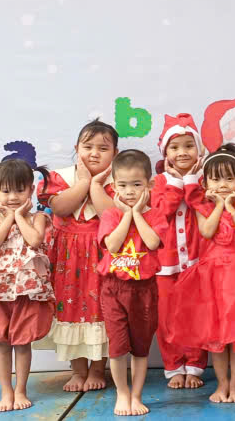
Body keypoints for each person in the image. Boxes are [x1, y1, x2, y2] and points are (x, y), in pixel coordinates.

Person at [171, 144, 235, 404]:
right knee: (216, 336)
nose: (223, 184)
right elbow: (207, 232)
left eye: (229, 178)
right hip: (212, 278)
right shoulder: (202, 206)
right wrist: (218, 206)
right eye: (216, 179)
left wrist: (230, 205)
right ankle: (222, 384)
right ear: (205, 183)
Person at [33, 119, 118, 392]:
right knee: (68, 308)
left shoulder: (119, 181)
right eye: (87, 146)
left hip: (101, 253)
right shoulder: (59, 178)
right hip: (67, 258)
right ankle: (78, 370)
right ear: (76, 148)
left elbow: (110, 215)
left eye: (103, 148)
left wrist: (96, 186)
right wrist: (83, 182)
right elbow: (60, 208)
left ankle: (98, 369)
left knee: (100, 309)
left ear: (115, 153)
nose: (94, 153)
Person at [0, 159, 56, 412]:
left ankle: (20, 390)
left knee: (23, 341)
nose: (12, 197)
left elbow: (34, 240)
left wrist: (19, 216)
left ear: (31, 190)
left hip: (26, 290)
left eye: (20, 190)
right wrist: (9, 218)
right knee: (2, 341)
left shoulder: (38, 218)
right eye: (6, 191)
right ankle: (6, 391)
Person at [97, 150, 169, 417]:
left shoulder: (156, 216)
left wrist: (137, 212)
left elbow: (152, 242)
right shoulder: (110, 215)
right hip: (113, 289)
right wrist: (126, 214)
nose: (129, 191)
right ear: (114, 186)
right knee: (117, 348)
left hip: (144, 290)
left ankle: (136, 395)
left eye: (137, 184)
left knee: (140, 347)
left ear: (149, 185)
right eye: (123, 185)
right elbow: (113, 246)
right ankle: (122, 393)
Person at [151, 113, 209, 389]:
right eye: (174, 147)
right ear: (166, 152)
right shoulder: (158, 182)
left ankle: (195, 365)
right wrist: (176, 185)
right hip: (166, 263)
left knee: (198, 314)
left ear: (199, 149)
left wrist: (193, 183)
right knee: (167, 318)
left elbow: (206, 210)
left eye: (188, 145)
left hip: (198, 260)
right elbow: (160, 216)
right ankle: (173, 366)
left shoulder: (207, 179)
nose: (182, 152)